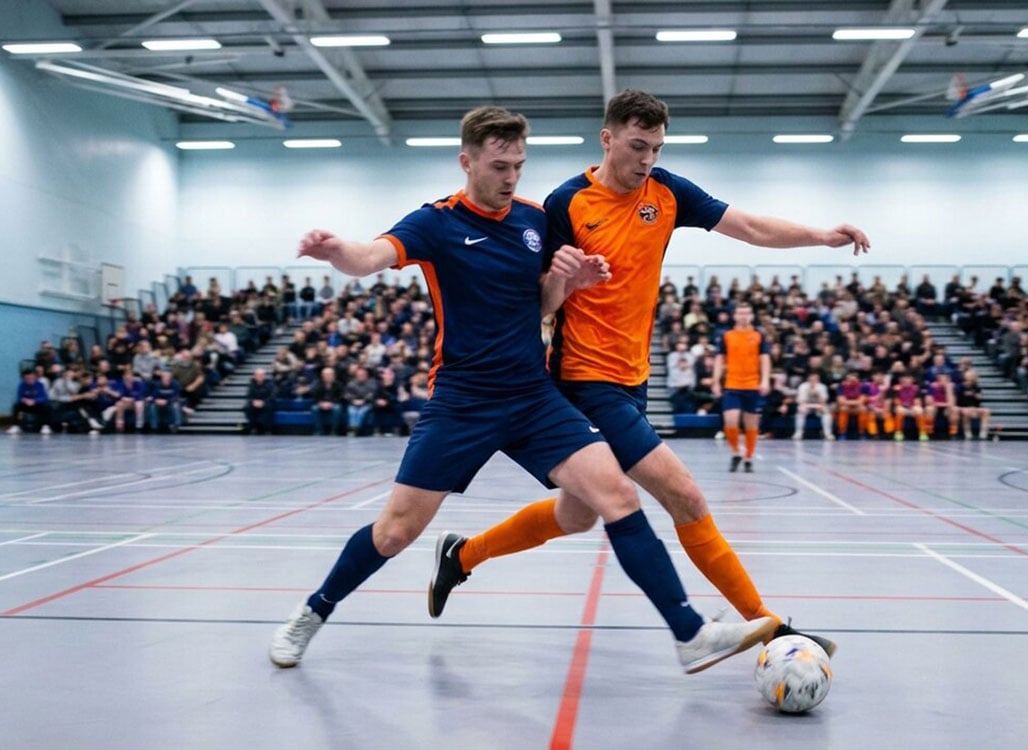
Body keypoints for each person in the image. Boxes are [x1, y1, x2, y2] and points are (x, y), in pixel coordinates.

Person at [268, 105, 775, 673]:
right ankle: (312, 611)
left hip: (534, 398)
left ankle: (690, 634)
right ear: (467, 162)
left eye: (518, 166)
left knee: (617, 496)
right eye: (499, 166)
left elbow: (541, 304)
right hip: (463, 402)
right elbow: (369, 258)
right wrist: (336, 251)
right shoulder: (435, 222)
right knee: (395, 532)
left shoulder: (533, 221)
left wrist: (567, 282)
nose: (511, 178)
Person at [428, 90, 869, 656]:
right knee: (684, 494)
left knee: (576, 515)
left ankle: (462, 554)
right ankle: (769, 627)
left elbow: (749, 226)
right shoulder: (567, 203)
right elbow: (539, 295)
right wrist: (561, 283)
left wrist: (820, 235)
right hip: (585, 381)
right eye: (637, 146)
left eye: (656, 148)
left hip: (632, 379)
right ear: (607, 138)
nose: (647, 159)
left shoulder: (667, 192)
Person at [712, 301, 771, 471]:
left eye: (747, 313)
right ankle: (736, 451)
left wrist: (765, 380)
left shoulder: (758, 335)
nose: (744, 316)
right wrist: (716, 381)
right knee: (730, 419)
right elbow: (719, 359)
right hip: (732, 384)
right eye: (740, 313)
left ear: (751, 316)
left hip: (752, 384)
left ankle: (749, 458)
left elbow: (765, 359)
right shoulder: (727, 335)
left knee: (751, 424)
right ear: (735, 316)